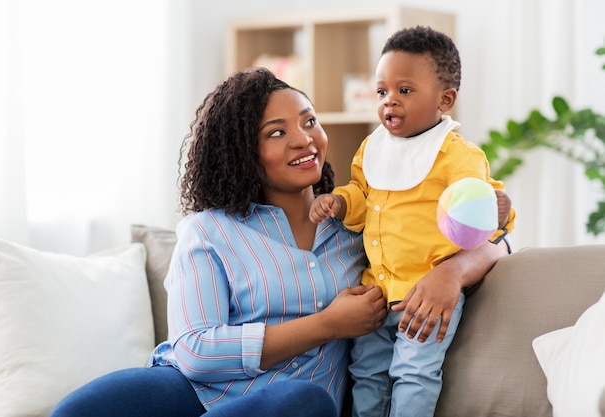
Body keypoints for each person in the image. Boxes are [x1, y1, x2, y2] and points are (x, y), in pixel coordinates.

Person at [50, 67, 510, 417]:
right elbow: (193, 352)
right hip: (190, 392)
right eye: (277, 132)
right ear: (242, 154)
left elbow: (497, 244)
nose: (303, 139)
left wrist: (451, 272)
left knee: (300, 399)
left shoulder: (361, 225)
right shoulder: (209, 229)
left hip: (293, 405)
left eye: (309, 121)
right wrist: (328, 324)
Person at [309, 26, 516, 417]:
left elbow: (483, 208)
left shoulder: (458, 156)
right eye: (382, 91)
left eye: (405, 91)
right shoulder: (372, 147)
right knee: (366, 374)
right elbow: (362, 194)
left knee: (415, 373)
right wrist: (339, 201)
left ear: (445, 98)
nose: (390, 102)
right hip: (375, 293)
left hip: (426, 296)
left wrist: (498, 209)